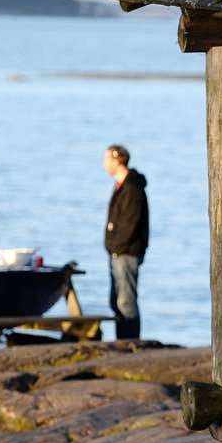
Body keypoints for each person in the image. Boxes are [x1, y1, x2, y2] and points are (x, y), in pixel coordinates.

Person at [102, 144, 148, 340]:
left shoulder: (131, 189)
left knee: (126, 301)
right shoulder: (121, 186)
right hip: (118, 253)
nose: (104, 164)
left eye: (106, 160)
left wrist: (116, 246)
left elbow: (131, 225)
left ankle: (130, 343)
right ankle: (123, 341)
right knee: (117, 301)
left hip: (126, 253)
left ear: (117, 160)